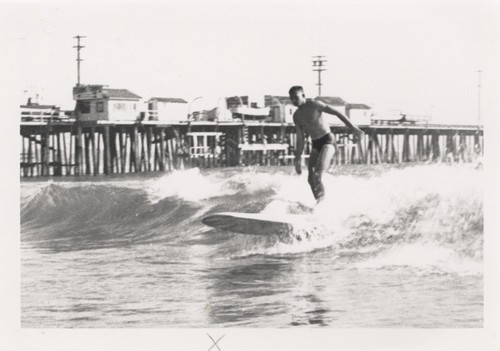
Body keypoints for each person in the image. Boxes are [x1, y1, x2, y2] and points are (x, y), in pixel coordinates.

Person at [289, 85, 364, 202]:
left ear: (303, 95)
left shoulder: (314, 104)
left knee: (318, 175)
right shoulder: (296, 116)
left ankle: (322, 206)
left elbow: (337, 113)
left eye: (296, 97)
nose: (294, 100)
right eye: (291, 98)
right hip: (315, 144)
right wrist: (298, 159)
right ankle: (320, 203)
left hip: (328, 141)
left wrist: (353, 128)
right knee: (310, 178)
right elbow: (300, 139)